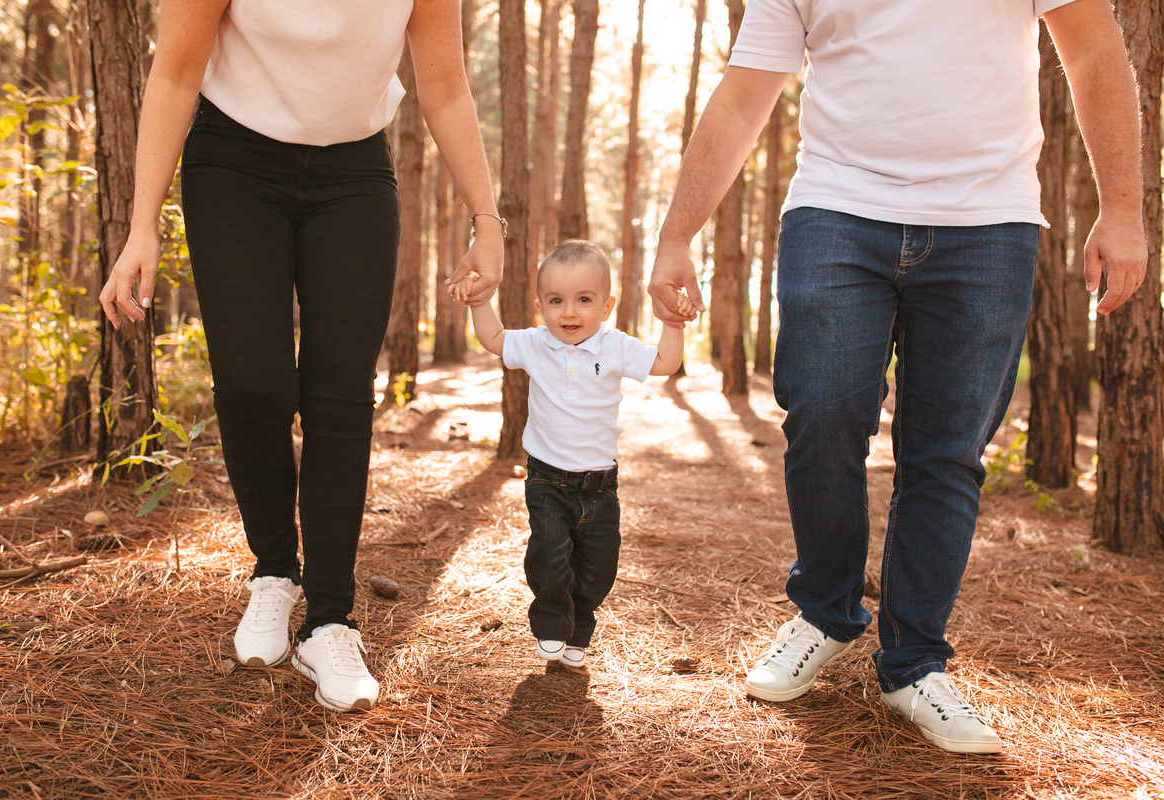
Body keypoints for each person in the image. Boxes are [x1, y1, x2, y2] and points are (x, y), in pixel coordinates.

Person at [648, 0, 1147, 753]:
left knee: (947, 453)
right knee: (820, 411)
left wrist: (1124, 209)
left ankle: (915, 660)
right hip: (838, 208)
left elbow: (1092, 49)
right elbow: (744, 94)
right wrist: (676, 234)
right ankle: (825, 611)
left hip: (990, 221)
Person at [98, 0, 503, 713]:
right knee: (253, 386)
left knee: (340, 395)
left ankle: (330, 619)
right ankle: (274, 573)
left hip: (353, 177)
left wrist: (486, 219)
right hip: (234, 164)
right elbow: (177, 69)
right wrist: (141, 228)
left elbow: (444, 84)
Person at [460, 240, 693, 667]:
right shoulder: (534, 344)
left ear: (606, 306)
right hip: (547, 479)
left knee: (599, 568)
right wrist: (480, 300)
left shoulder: (616, 346)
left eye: (584, 300)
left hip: (600, 485)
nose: (569, 312)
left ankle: (578, 624)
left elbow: (665, 362)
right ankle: (550, 619)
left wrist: (672, 322)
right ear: (540, 306)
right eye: (556, 301)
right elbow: (493, 337)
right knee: (550, 555)